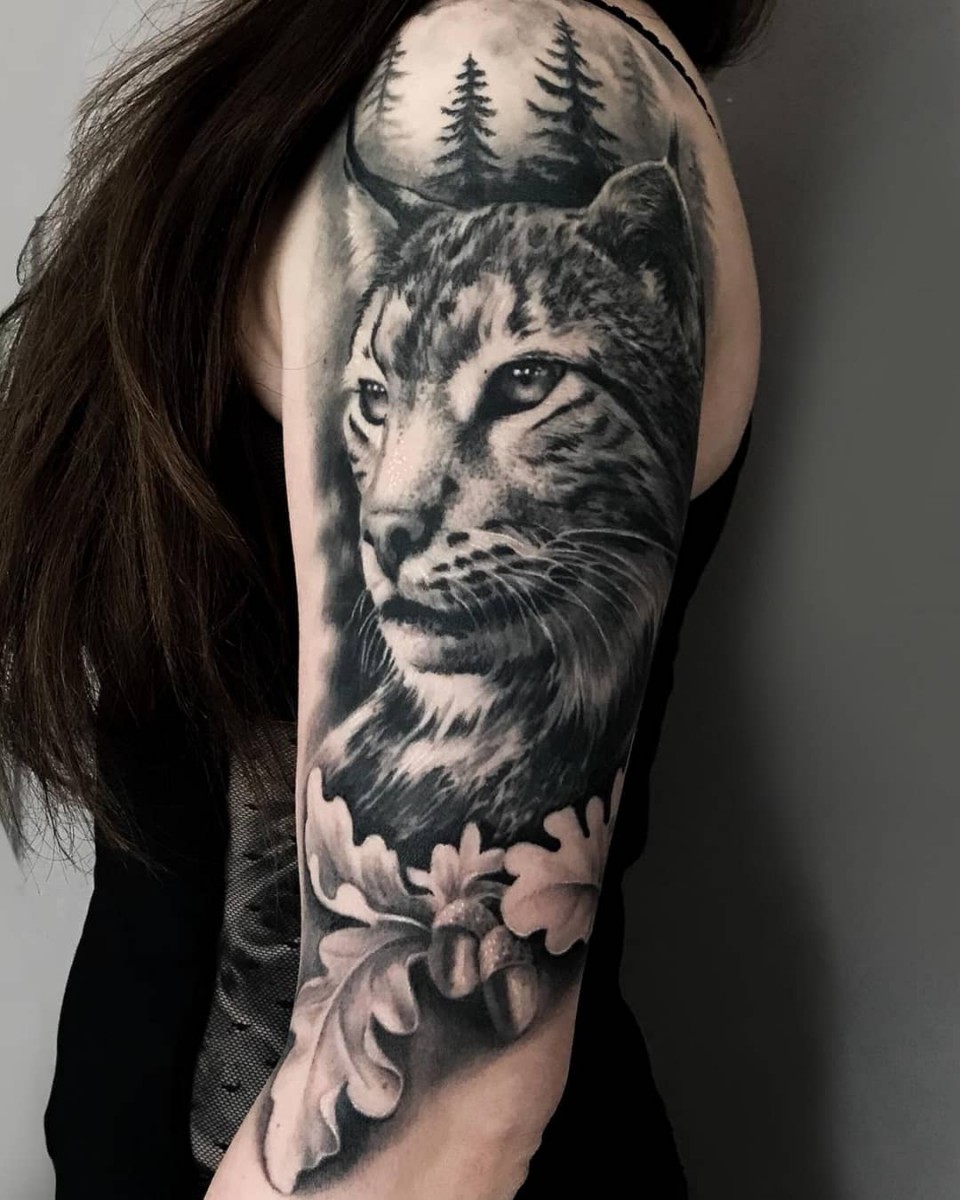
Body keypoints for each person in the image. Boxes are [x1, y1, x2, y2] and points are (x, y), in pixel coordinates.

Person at [0, 0, 769, 1196]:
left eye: (520, 381)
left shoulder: (507, 63)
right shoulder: (377, 55)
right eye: (377, 407)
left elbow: (439, 1123)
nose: (398, 510)